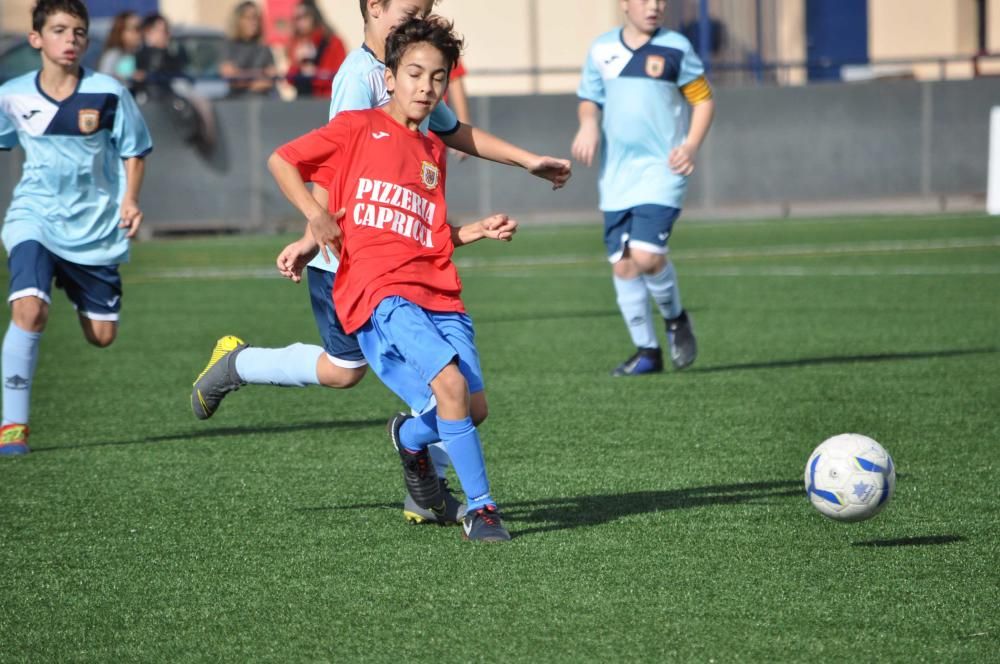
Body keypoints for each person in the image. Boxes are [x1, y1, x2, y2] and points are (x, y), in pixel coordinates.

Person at [190, 0, 571, 526]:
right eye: (412, 9)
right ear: (374, 8)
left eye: (428, 10)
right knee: (421, 379)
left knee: (357, 373)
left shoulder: (418, 81)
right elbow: (332, 166)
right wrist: (311, 233)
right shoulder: (359, 81)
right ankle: (441, 493)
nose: (423, 19)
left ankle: (416, 468)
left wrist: (527, 162)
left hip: (401, 258)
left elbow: (452, 132)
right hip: (350, 256)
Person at [268, 16, 513, 542]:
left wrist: (474, 231)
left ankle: (409, 437)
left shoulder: (431, 151)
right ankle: (482, 509)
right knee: (447, 386)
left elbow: (425, 232)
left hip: (439, 290)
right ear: (391, 77)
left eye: (438, 78)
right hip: (380, 291)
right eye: (415, 74)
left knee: (473, 406)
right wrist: (314, 218)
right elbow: (282, 160)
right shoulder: (358, 126)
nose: (426, 87)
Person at [0, 0, 152, 456]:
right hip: (34, 217)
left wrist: (129, 199)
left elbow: (135, 148)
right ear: (36, 39)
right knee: (28, 310)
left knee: (101, 336)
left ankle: (67, 280)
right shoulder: (12, 94)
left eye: (79, 32)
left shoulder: (108, 92)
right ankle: (13, 425)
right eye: (60, 30)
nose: (70, 40)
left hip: (94, 229)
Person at [571, 0, 714, 376]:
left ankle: (675, 318)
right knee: (624, 266)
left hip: (663, 169)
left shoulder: (677, 48)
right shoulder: (602, 49)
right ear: (625, 4)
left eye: (660, 0)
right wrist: (588, 123)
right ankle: (647, 353)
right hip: (617, 175)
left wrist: (691, 145)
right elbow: (589, 99)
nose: (655, 6)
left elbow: (703, 100)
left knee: (648, 256)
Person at [285, 1, 347, 98]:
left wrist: (315, 73)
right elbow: (290, 79)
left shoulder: (332, 42)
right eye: (296, 18)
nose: (300, 23)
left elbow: (340, 76)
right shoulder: (297, 42)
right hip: (303, 100)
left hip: (326, 100)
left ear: (314, 16)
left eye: (304, 16)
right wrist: (297, 64)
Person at [220, 1, 277, 97]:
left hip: (262, 102)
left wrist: (241, 75)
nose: (253, 22)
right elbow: (230, 77)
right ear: (238, 20)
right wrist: (260, 74)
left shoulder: (263, 47)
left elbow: (271, 78)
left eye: (256, 18)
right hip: (236, 102)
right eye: (248, 18)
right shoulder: (229, 45)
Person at [97, 11, 141, 86]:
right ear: (121, 31)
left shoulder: (139, 53)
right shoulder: (113, 55)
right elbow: (104, 81)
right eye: (135, 28)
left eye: (141, 28)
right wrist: (129, 77)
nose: (139, 33)